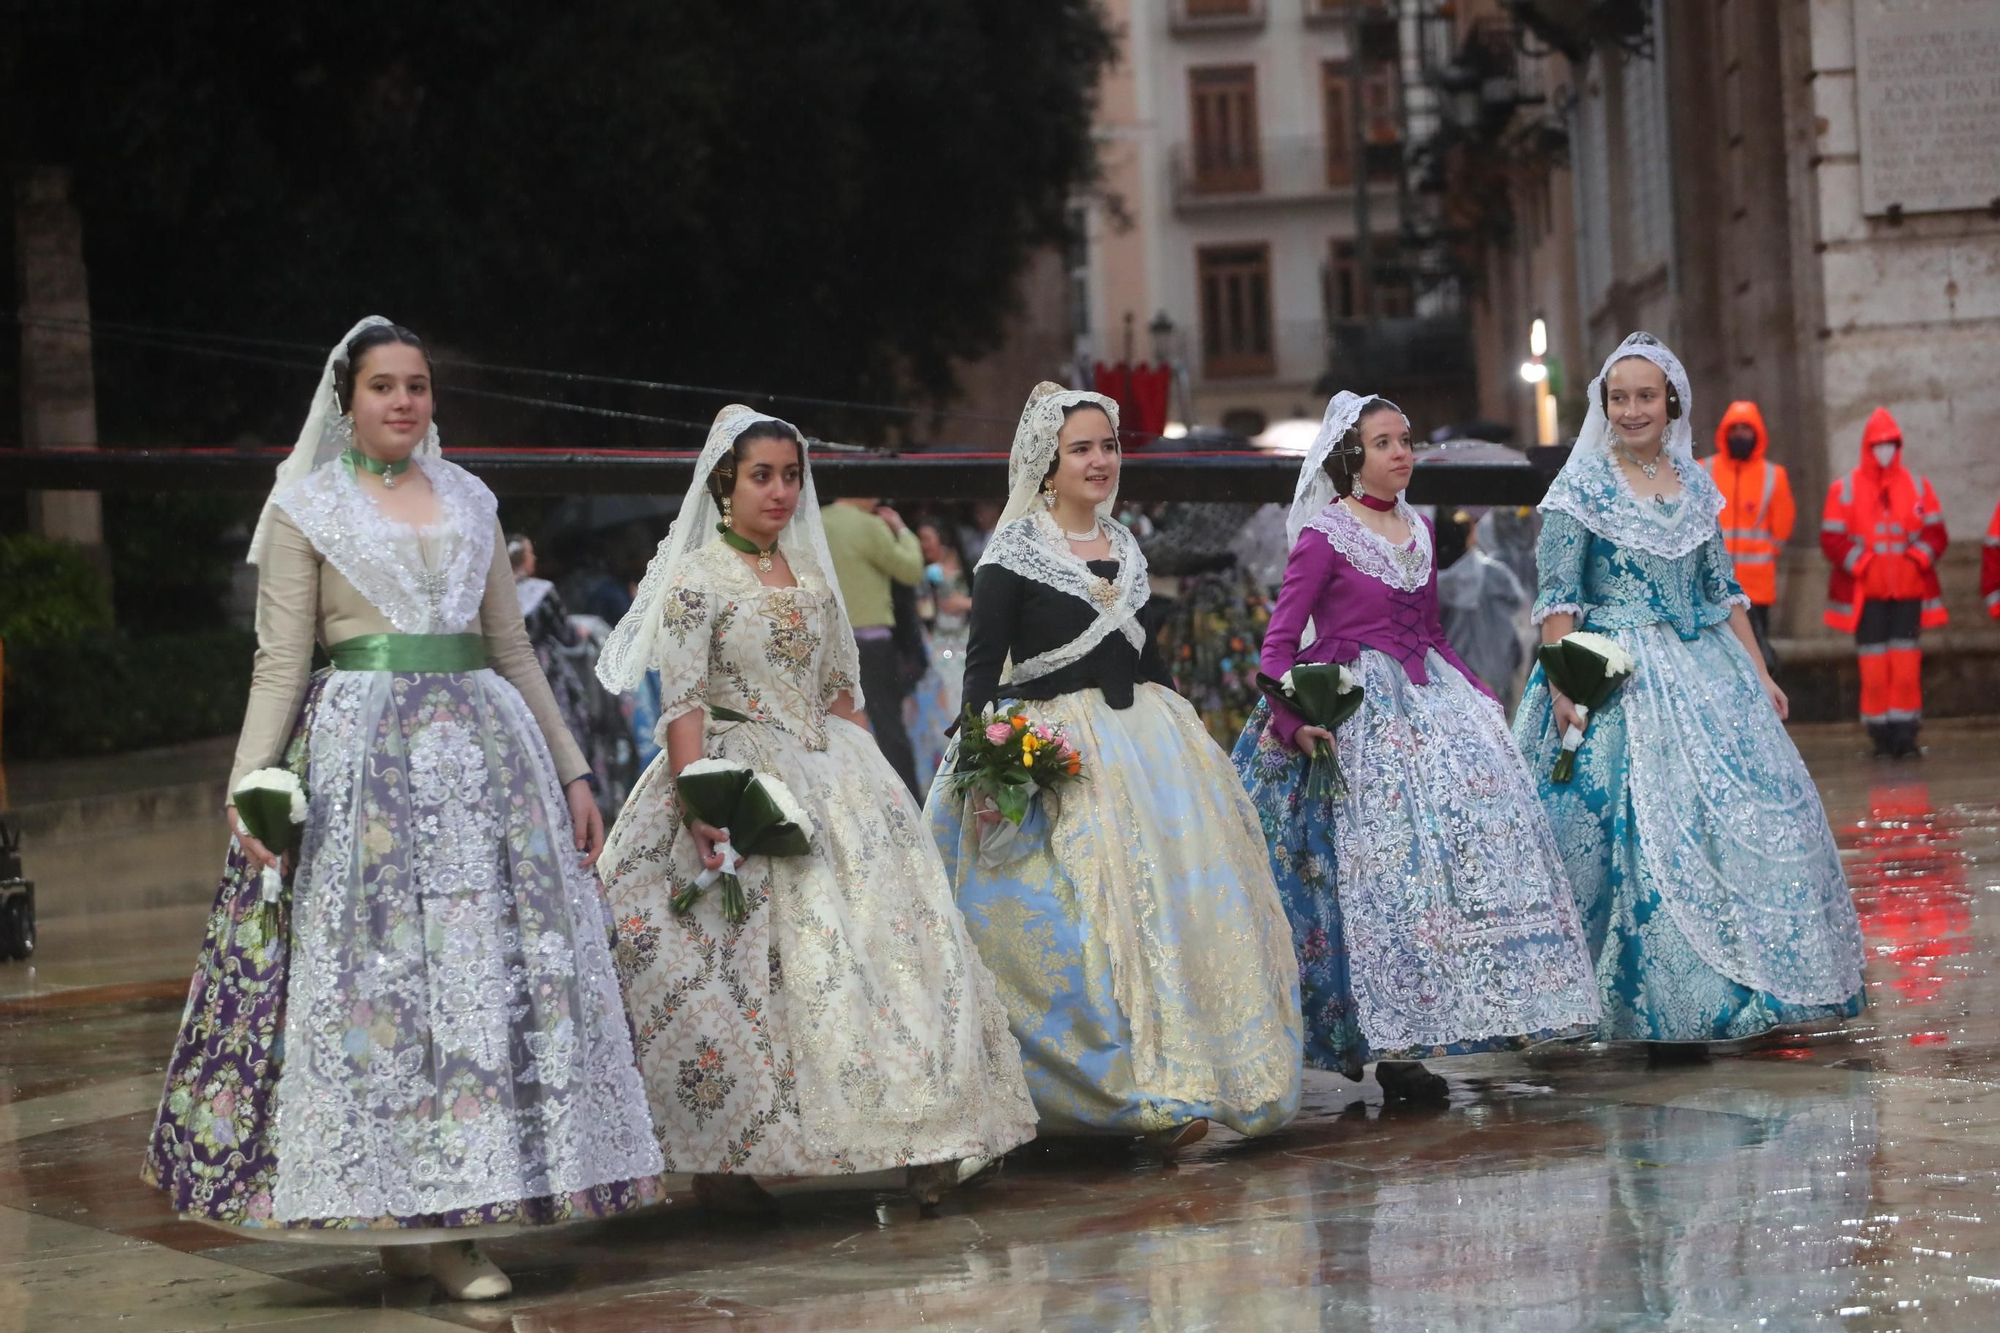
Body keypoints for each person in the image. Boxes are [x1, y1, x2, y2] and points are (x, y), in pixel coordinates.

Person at [142, 319, 662, 1302]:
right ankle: (406, 1213)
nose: (402, 402)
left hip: (489, 762)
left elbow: (512, 648)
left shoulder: (471, 497)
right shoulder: (306, 508)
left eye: (417, 386)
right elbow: (280, 660)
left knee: (481, 981)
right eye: (383, 385)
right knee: (385, 989)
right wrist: (248, 779)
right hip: (365, 767)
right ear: (347, 401)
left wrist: (573, 772)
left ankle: (462, 1210)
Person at [593, 406, 1036, 1215]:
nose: (781, 491)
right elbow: (684, 699)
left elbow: (841, 694)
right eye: (763, 475)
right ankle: (728, 1154)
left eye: (791, 475)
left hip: (834, 771)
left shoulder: (811, 574)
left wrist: (878, 791)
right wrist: (699, 796)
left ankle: (927, 1134)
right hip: (737, 769)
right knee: (733, 971)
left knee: (893, 951)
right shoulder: (698, 577)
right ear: (725, 481)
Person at [924, 382, 1302, 1151]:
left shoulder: (1126, 545)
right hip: (1056, 754)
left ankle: (1195, 1074)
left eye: (1109, 446)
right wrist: (990, 769)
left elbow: (1147, 656)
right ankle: (1116, 1093)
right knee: (1081, 925)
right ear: (1047, 463)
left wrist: (1187, 738)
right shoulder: (1011, 556)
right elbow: (981, 674)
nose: (1100, 461)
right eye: (1081, 449)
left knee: (1182, 911)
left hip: (1149, 748)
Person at [1231, 392, 1597, 1098]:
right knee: (1371, 875)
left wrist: (1478, 695)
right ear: (1351, 457)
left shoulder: (1419, 530)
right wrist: (1291, 722)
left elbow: (1430, 633)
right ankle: (1369, 1035)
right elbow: (1279, 646)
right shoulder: (1325, 536)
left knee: (1438, 870)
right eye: (1383, 443)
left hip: (1426, 698)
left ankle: (1419, 1037)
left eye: (1405, 440)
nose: (1401, 453)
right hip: (1353, 711)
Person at [1515, 332, 1866, 1046]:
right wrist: (1564, 684)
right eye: (1620, 397)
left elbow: (1722, 591)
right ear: (1604, 404)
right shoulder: (1580, 489)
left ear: (1670, 400)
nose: (1633, 409)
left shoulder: (1695, 482)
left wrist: (1760, 671)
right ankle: (1646, 1004)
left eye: (1646, 396)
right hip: (1611, 672)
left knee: (1747, 816)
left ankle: (1743, 986)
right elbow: (1558, 598)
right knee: (1630, 833)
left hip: (1706, 673)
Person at [1820, 407, 1949, 759]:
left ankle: (1905, 734)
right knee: (1874, 668)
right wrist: (1862, 564)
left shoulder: (1918, 486)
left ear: (1898, 445)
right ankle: (1880, 734)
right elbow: (1831, 539)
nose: (1885, 450)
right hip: (1868, 596)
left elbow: (1936, 533)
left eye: (1890, 444)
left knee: (1906, 669)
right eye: (1879, 444)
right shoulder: (1844, 489)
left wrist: (1917, 559)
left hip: (1907, 593)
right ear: (1868, 446)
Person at [822, 493, 925, 794]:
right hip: (871, 642)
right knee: (888, 727)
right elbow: (911, 570)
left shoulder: (816, 521)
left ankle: (847, 798)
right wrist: (902, 530)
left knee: (836, 728)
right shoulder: (869, 525)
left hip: (827, 642)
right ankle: (907, 804)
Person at [510, 533, 614, 808]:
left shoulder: (499, 592)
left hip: (507, 677)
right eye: (531, 553)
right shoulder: (541, 591)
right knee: (564, 725)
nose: (535, 558)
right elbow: (566, 635)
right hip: (543, 670)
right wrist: (580, 632)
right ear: (523, 559)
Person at [1702, 400, 1794, 676]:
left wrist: (1760, 554)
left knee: (1757, 654)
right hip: (1712, 586)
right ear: (1724, 432)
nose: (1740, 434)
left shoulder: (1773, 476)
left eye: (1746, 428)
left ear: (1758, 433)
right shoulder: (1704, 470)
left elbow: (1782, 528)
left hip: (1756, 587)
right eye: (1735, 428)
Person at [1435, 509, 1532, 714]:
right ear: (1471, 533)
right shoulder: (1496, 575)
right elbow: (1518, 616)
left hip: (1449, 677)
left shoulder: (1427, 582)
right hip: (1497, 675)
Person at [905, 517, 975, 791]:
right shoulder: (926, 573)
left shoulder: (969, 567)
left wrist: (963, 603)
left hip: (964, 642)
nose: (923, 547)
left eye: (927, 539)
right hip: (936, 643)